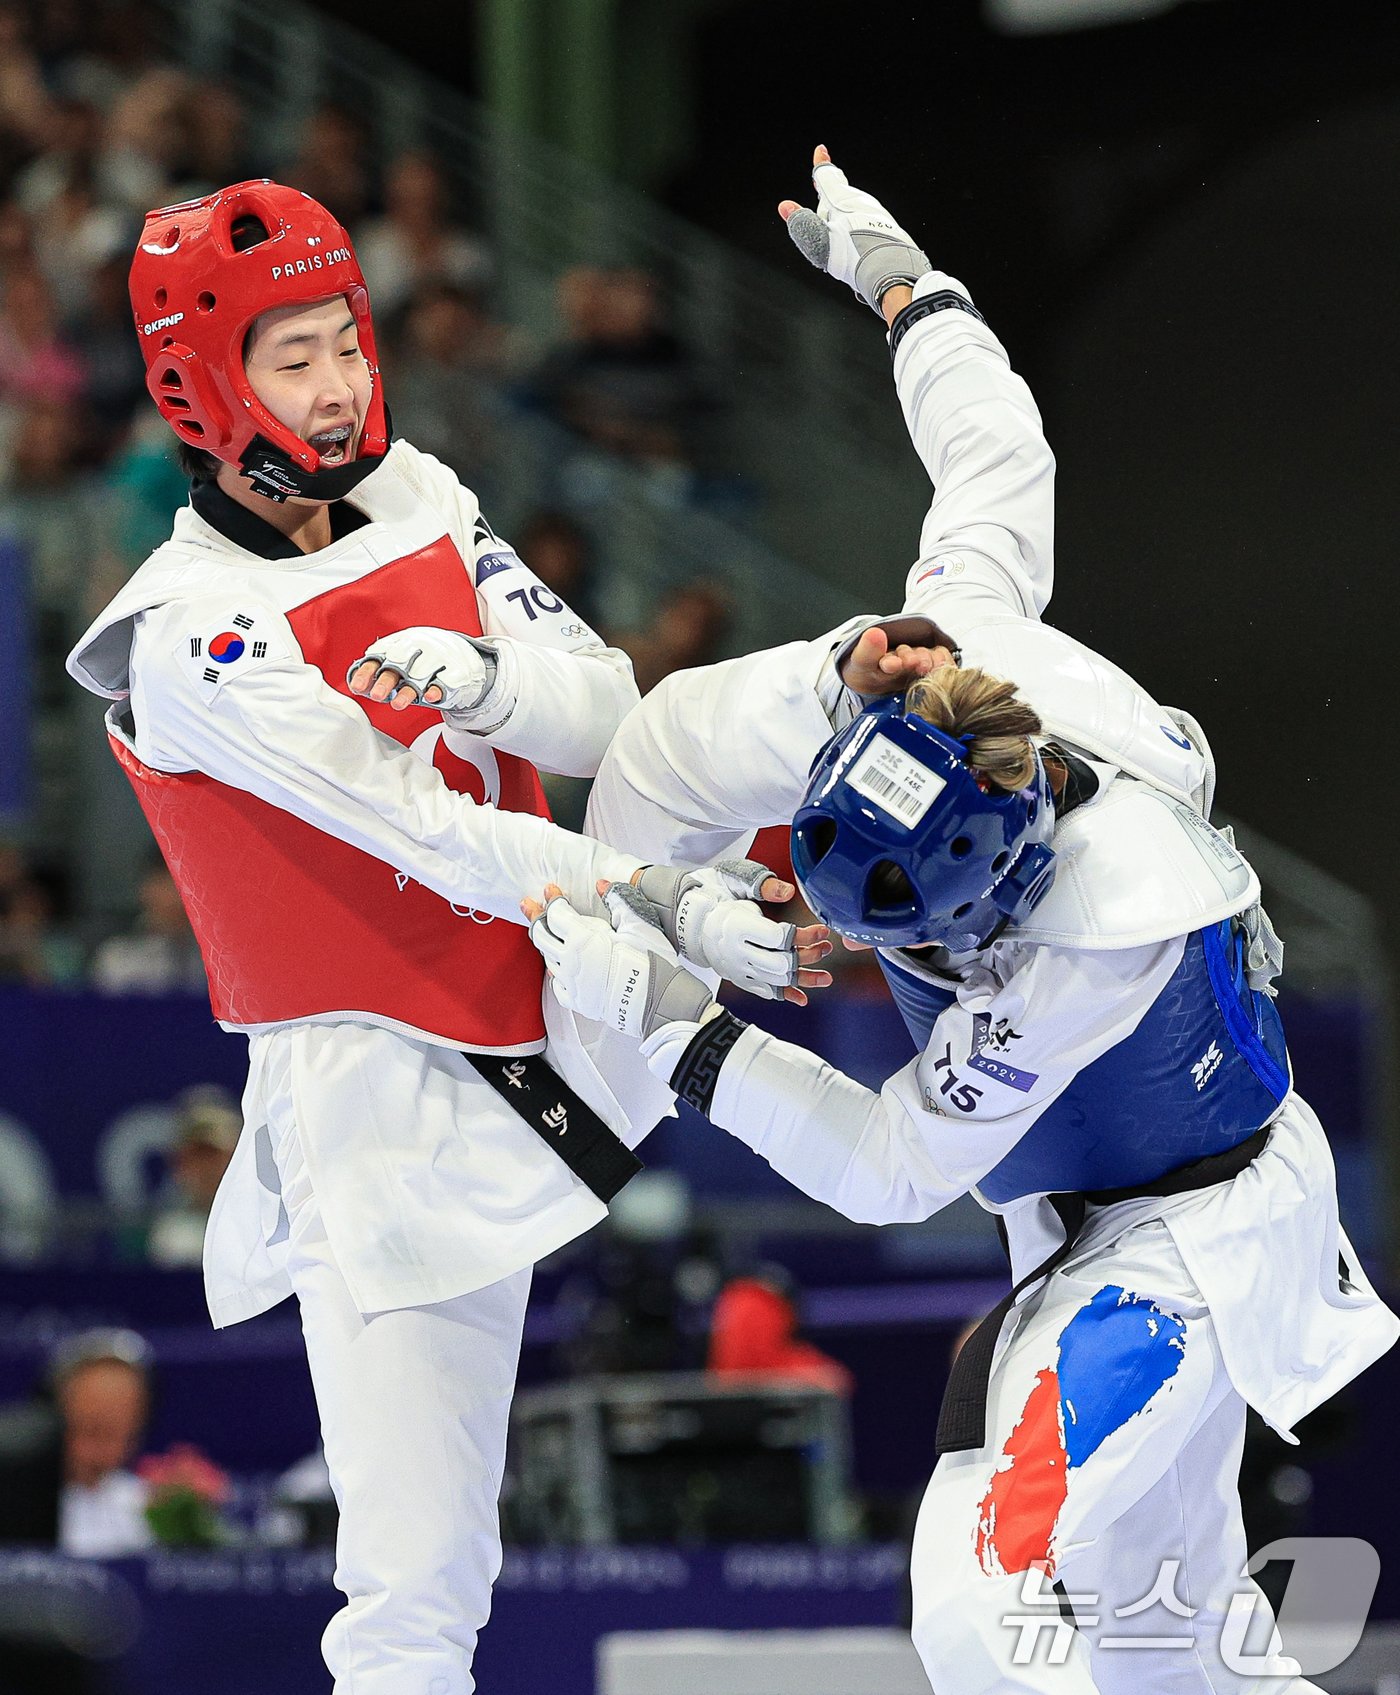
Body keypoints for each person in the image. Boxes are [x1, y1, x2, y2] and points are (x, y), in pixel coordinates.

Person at [525, 150, 1399, 1693]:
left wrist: (686, 1035)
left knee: (987, 1589)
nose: (906, 960)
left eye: (927, 935)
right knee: (1174, 1650)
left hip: (1183, 1246)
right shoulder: (952, 647)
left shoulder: (1103, 925)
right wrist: (905, 285)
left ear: (1014, 869)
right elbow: (995, 449)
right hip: (1087, 1228)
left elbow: (888, 1162)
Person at [64, 178, 825, 1694]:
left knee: (447, 1574)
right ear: (200, 381)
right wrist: (663, 899)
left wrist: (483, 677)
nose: (339, 382)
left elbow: (603, 703)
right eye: (291, 356)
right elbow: (426, 831)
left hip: (542, 1005)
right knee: (416, 1588)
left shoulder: (420, 488)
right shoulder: (190, 635)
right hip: (382, 1098)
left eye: (345, 337)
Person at [0, 1327, 153, 1557]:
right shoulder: (12, 1503)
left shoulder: (146, 1510)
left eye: (111, 1434)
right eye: (85, 1431)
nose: (90, 1453)